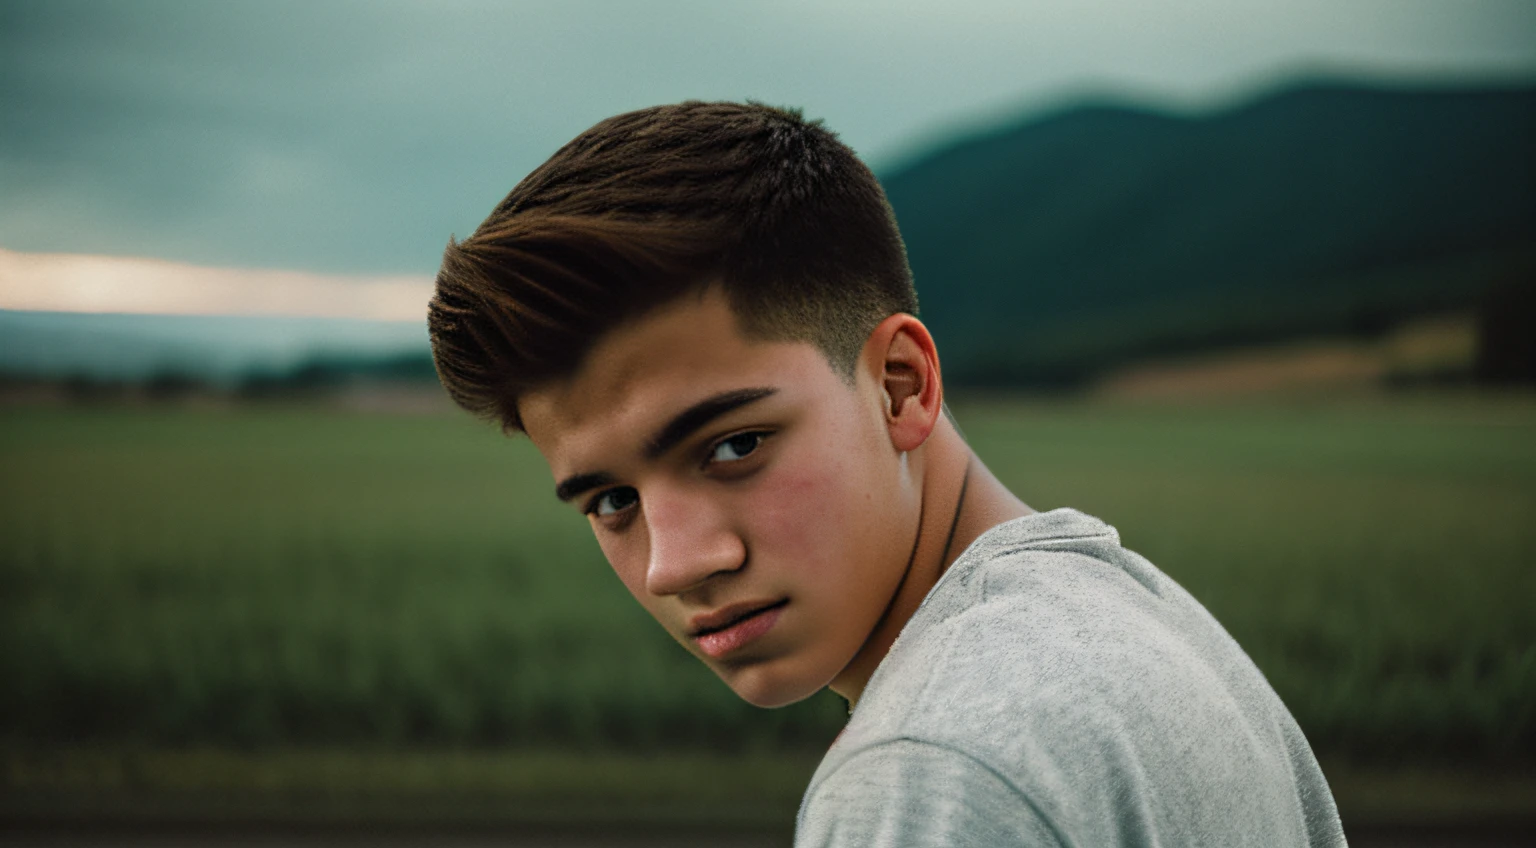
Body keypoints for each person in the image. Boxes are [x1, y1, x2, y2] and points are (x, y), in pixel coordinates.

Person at [427, 101, 1346, 846]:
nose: (674, 564)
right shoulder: (1137, 621)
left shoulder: (935, 774)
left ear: (901, 386)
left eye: (733, 446)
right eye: (613, 500)